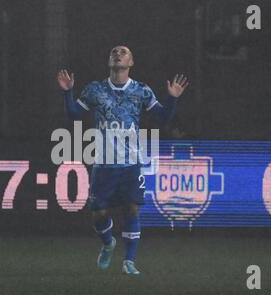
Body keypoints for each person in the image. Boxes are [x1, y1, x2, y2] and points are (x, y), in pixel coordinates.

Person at [57, 45, 189, 275]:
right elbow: (74, 114)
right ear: (109, 60)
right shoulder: (95, 89)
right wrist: (68, 92)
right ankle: (108, 243)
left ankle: (129, 261)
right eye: (114, 52)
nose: (118, 53)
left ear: (131, 62)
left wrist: (172, 98)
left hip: (131, 163)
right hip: (103, 163)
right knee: (99, 214)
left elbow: (162, 118)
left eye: (123, 52)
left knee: (132, 210)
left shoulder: (141, 90)